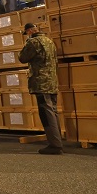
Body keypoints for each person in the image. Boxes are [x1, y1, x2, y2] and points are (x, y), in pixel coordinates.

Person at [18, 22, 62, 155]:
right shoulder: (49, 41)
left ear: (30, 31)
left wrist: (28, 42)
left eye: (27, 33)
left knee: (46, 113)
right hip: (52, 81)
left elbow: (22, 58)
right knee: (53, 111)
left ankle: (55, 145)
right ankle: (57, 140)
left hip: (41, 82)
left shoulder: (33, 42)